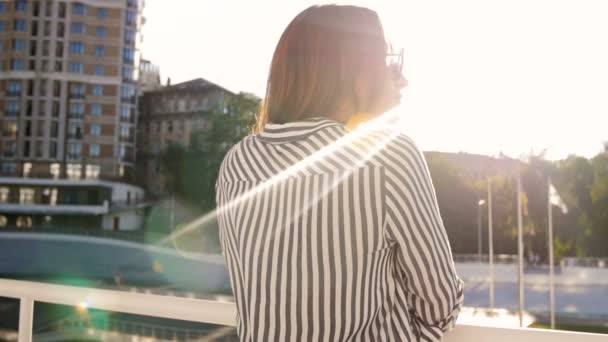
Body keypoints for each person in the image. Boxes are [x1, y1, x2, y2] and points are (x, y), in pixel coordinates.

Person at [216, 5, 463, 341]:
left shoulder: (236, 163)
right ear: (354, 73)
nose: (400, 78)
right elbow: (440, 303)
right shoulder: (388, 155)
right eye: (386, 60)